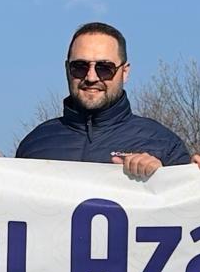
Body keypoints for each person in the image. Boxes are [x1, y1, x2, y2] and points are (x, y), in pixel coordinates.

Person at [16, 22, 190, 179]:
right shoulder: (34, 145)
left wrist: (162, 178)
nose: (91, 77)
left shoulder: (164, 145)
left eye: (105, 68)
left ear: (125, 72)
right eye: (80, 67)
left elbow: (189, 200)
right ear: (67, 69)